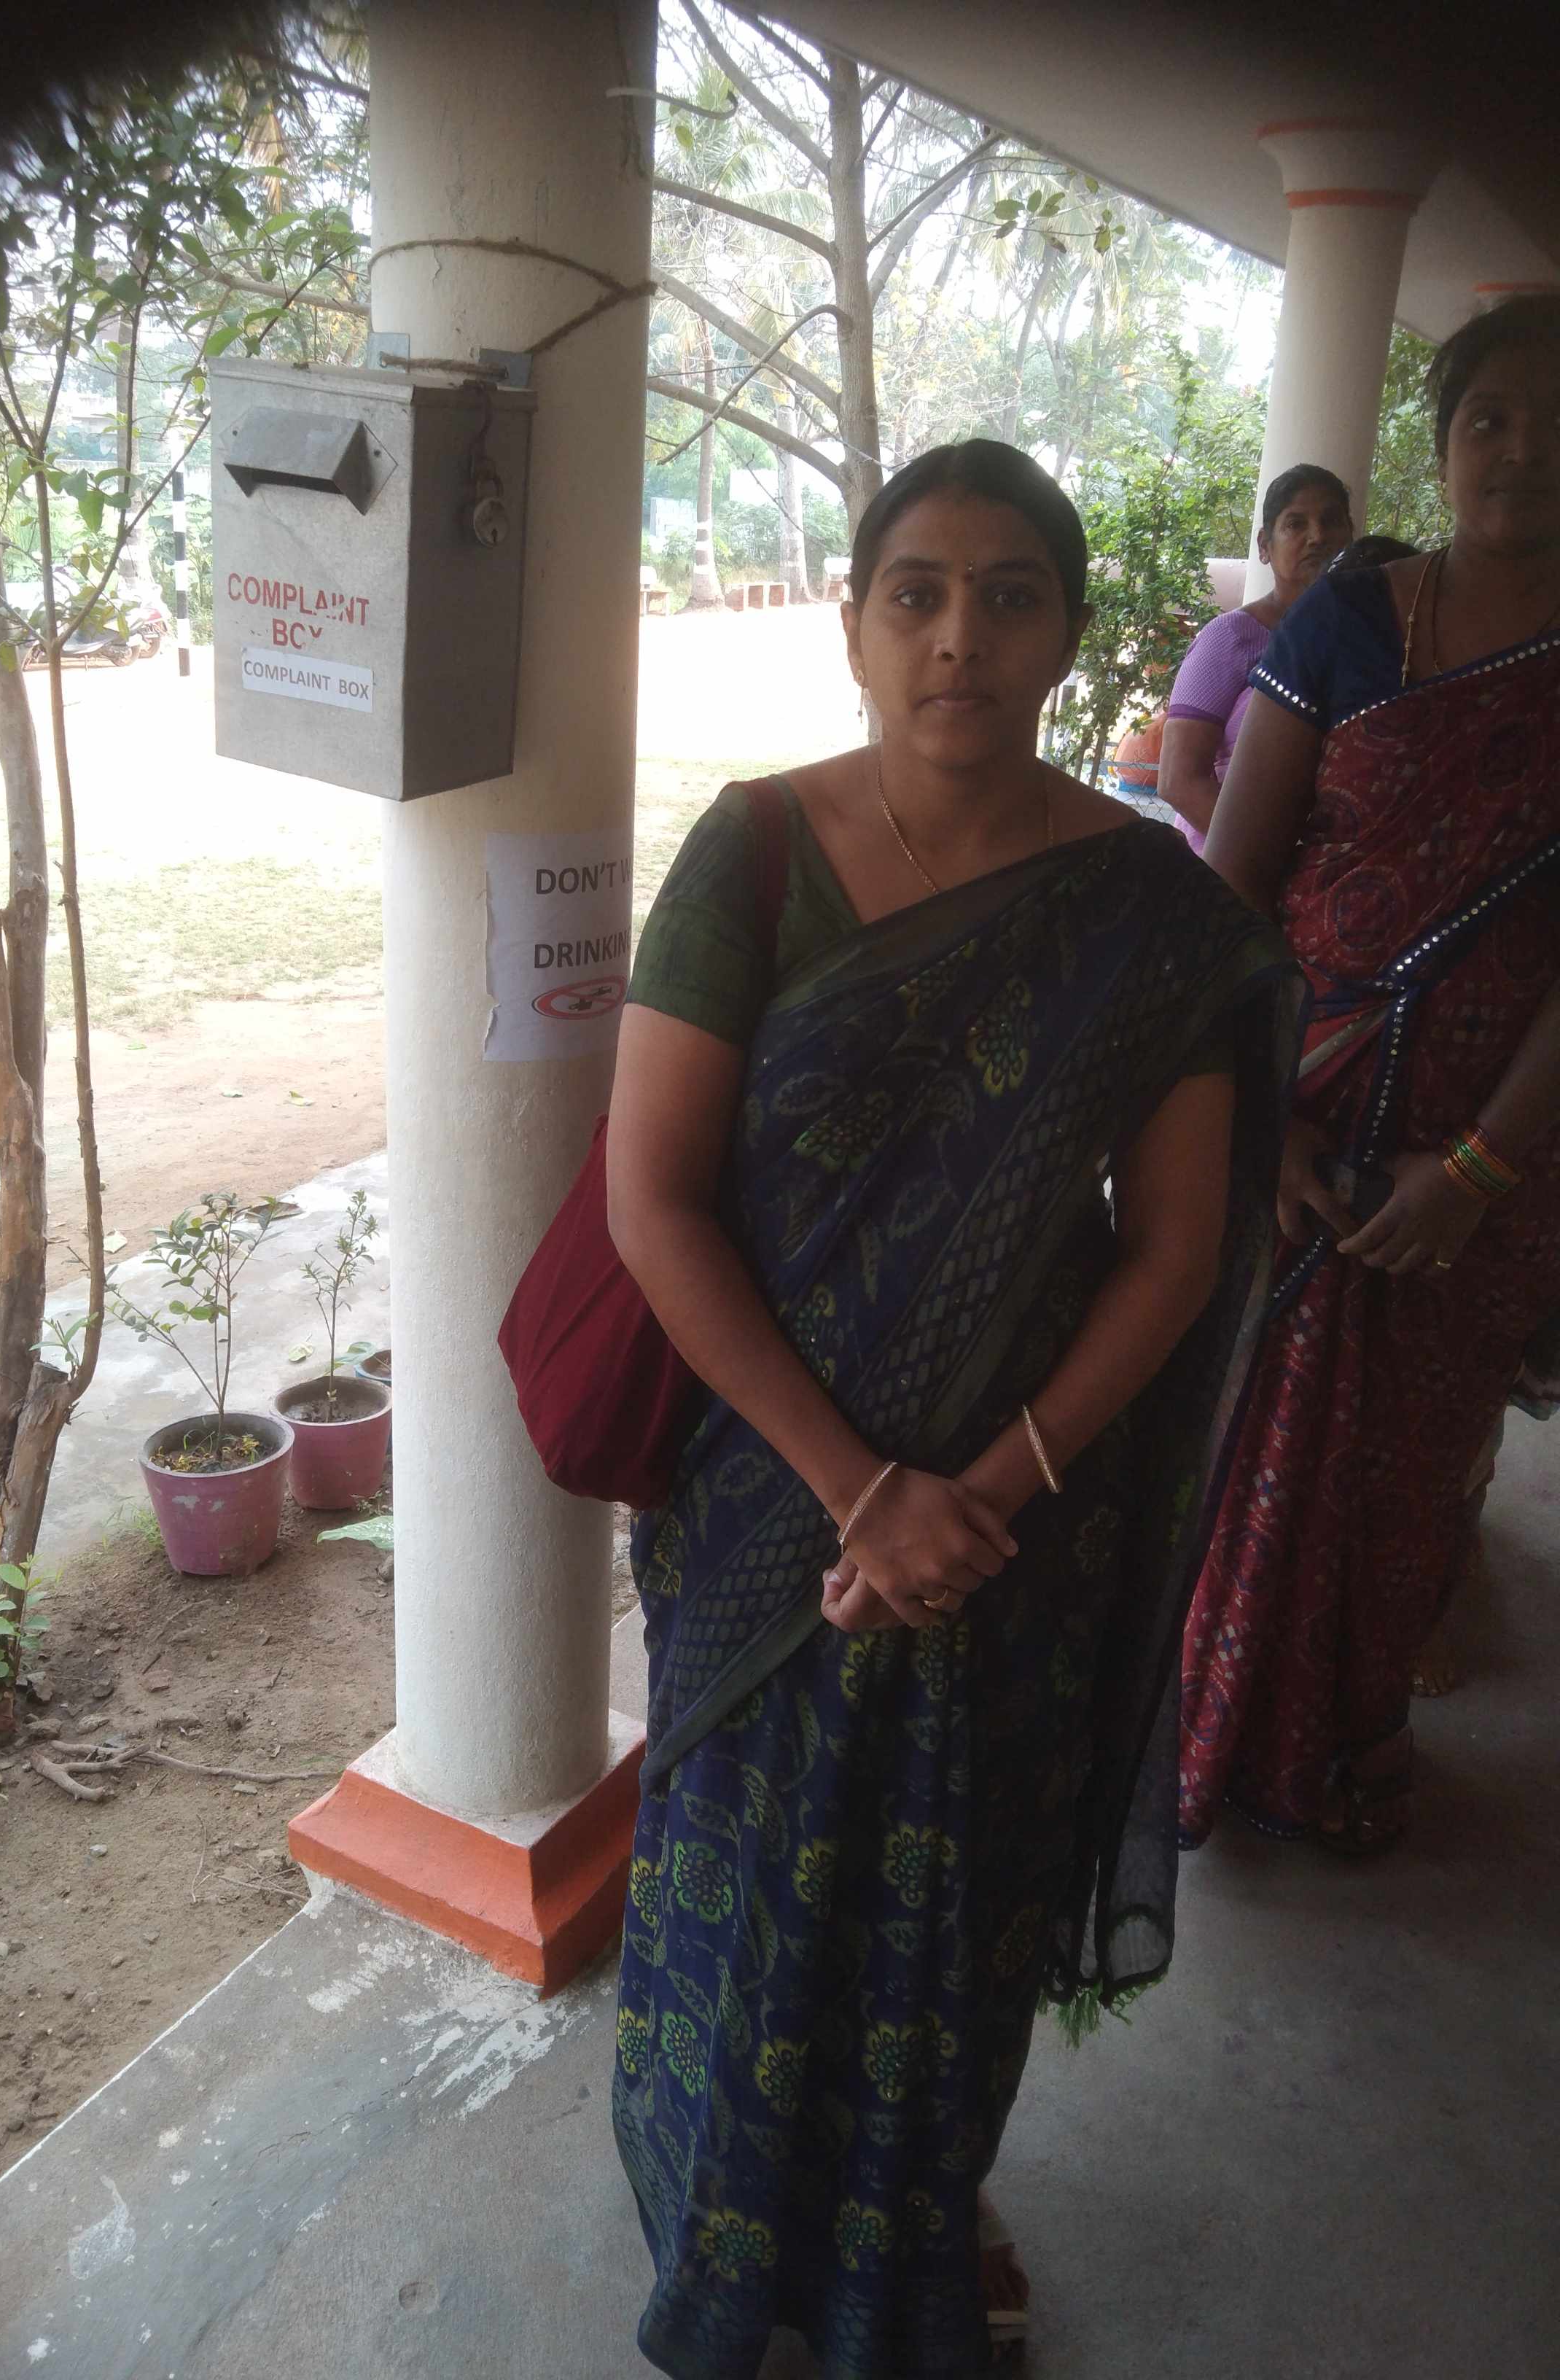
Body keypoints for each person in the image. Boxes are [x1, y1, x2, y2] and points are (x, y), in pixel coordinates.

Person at [604, 439, 1300, 2379]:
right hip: (768, 1504)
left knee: (949, 1915)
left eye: (1009, 596)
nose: (959, 637)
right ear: (853, 625)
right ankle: (723, 2248)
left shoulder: (1145, 915)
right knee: (739, 1890)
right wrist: (862, 1492)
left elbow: (1175, 1250)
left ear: (1067, 633)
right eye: (915, 593)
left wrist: (975, 1493)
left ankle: (912, 2222)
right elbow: (652, 1199)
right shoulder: (753, 856)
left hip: (1019, 1530)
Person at [1179, 294, 1560, 1854]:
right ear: (1442, 438)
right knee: (1233, 1454)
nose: (1520, 451)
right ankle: (1204, 1747)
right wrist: (1259, 1123)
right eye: (1488, 419)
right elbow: (1231, 887)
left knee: (1407, 1482)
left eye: (1553, 423)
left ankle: (1337, 1747)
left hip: (1490, 1158)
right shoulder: (1342, 624)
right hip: (1296, 1126)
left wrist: (1474, 1171)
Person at [1158, 464, 1355, 855]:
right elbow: (1179, 780)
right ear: (1265, 546)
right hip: (1229, 872)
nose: (1317, 537)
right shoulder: (1232, 637)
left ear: (1351, 534)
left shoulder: (1365, 642)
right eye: (1296, 524)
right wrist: (1269, 863)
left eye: (1331, 521)